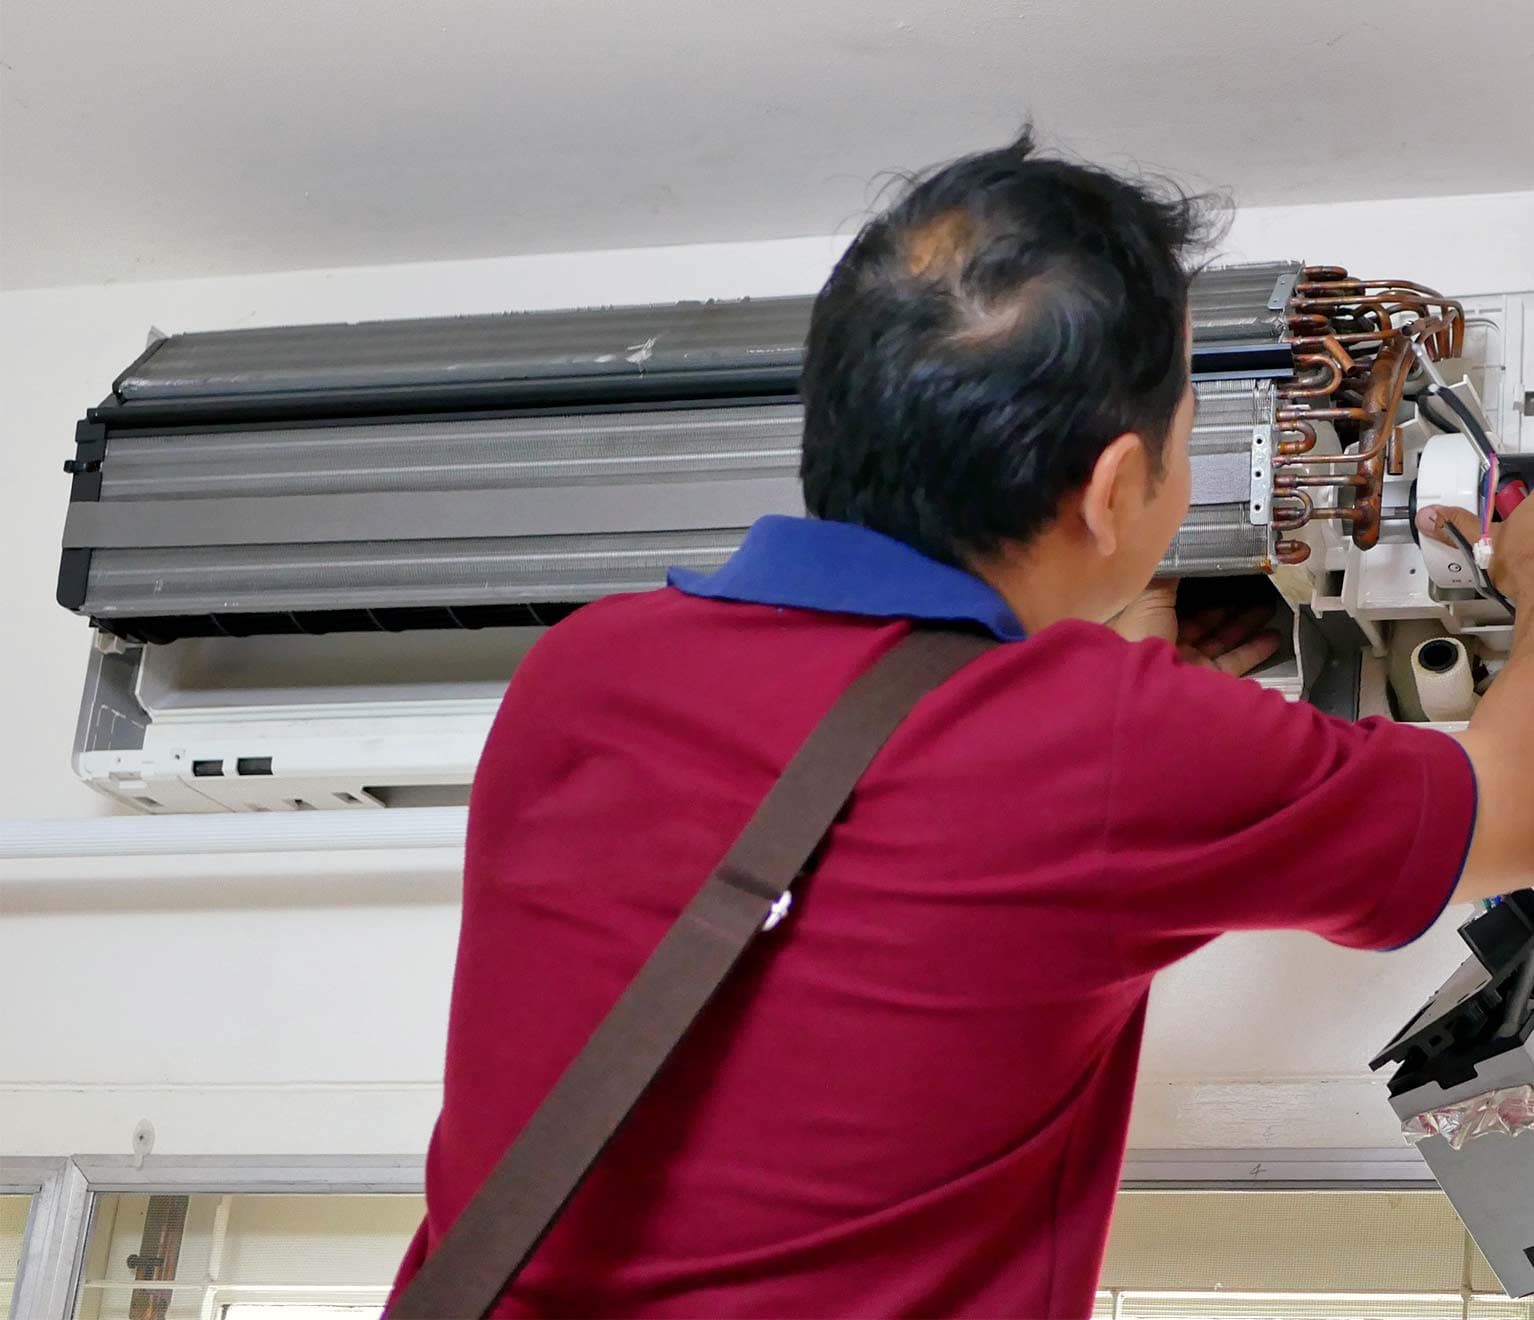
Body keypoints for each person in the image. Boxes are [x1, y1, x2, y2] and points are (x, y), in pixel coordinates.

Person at [389, 130, 1534, 1318]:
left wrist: (1107, 658)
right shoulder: (1105, 742)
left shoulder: (581, 672)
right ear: (1112, 490)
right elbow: (1517, 805)